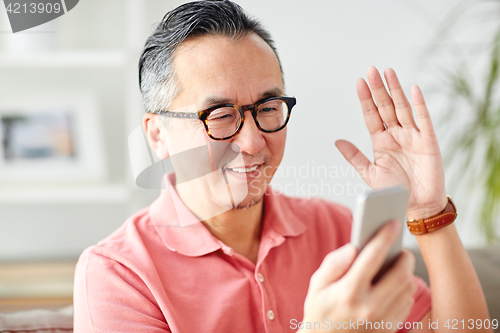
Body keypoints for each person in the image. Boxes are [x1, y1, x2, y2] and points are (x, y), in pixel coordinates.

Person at [73, 1, 492, 332]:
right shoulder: (118, 275)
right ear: (157, 135)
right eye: (220, 115)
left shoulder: (334, 229)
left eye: (268, 108)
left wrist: (426, 209)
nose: (254, 141)